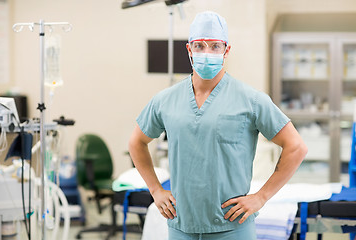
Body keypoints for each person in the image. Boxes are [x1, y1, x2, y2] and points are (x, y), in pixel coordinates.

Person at [128, 11, 308, 240]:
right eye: (200, 46)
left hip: (232, 227)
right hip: (181, 225)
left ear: (227, 50)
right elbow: (136, 142)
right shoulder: (165, 100)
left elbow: (296, 147)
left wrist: (261, 197)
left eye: (215, 46)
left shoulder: (250, 99)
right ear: (189, 49)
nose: (207, 53)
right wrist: (155, 189)